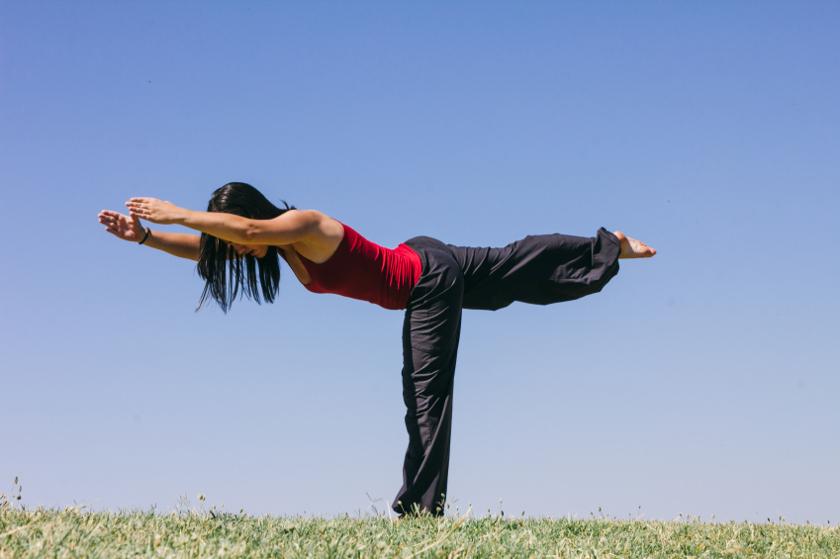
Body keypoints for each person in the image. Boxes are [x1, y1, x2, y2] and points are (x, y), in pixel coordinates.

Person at [97, 181, 656, 518]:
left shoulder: (302, 225)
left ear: (254, 219)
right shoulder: (273, 249)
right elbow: (211, 249)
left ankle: (420, 511)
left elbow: (242, 232)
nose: (235, 252)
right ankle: (606, 250)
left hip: (425, 281)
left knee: (425, 396)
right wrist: (145, 237)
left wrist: (173, 211)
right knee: (511, 266)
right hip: (424, 260)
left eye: (236, 241)